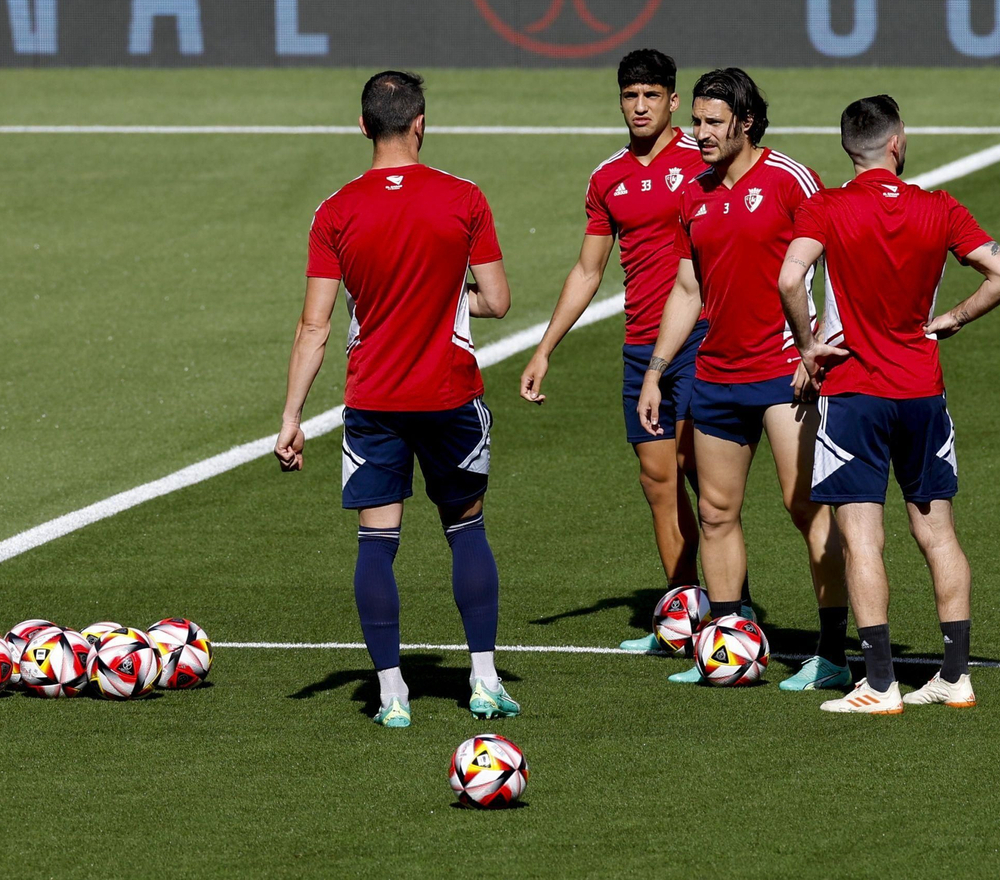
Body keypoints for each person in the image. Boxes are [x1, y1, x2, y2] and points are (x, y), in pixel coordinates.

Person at [275, 70, 520, 728]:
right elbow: (496, 300)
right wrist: (449, 298)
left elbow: (315, 326)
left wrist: (293, 416)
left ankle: (390, 692)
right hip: (449, 393)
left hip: (374, 398)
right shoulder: (464, 197)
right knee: (465, 527)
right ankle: (485, 680)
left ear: (362, 126)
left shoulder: (335, 210)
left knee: (376, 540)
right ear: (421, 123)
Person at [778, 94, 1000, 715]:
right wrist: (954, 319)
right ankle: (955, 676)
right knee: (937, 533)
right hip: (922, 390)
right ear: (897, 141)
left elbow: (788, 278)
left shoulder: (826, 206)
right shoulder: (938, 207)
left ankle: (881, 683)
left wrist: (809, 348)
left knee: (862, 536)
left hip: (854, 393)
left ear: (847, 148)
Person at [639, 68, 851, 690]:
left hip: (786, 374)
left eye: (711, 123)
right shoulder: (693, 193)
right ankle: (727, 645)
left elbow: (836, 259)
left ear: (746, 122)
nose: (697, 133)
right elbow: (687, 287)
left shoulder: (790, 179)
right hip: (716, 375)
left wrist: (822, 343)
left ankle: (834, 655)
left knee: (806, 507)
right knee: (715, 513)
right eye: (696, 121)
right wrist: (656, 371)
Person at [520, 48, 738, 652]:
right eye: (628, 96)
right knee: (657, 480)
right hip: (641, 347)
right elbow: (588, 272)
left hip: (703, 338)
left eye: (651, 95)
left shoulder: (705, 159)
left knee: (703, 474)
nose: (639, 106)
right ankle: (684, 610)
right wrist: (545, 350)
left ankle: (730, 617)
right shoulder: (606, 178)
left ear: (673, 100)